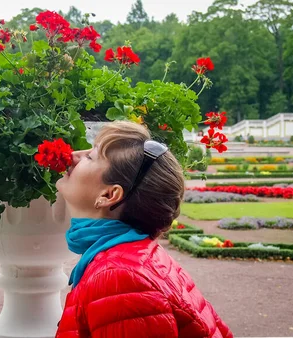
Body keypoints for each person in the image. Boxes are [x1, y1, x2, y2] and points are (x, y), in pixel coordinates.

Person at [55, 121, 232, 338]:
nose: (74, 155)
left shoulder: (118, 280)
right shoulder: (131, 258)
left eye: (90, 157)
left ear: (109, 195)